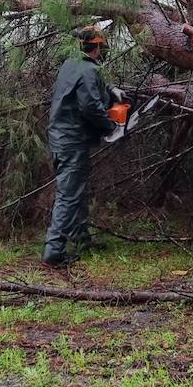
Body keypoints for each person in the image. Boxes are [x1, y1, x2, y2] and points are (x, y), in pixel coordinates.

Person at [43, 26, 119, 266]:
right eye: (101, 47)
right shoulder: (87, 69)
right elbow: (91, 107)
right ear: (96, 46)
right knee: (68, 194)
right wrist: (111, 126)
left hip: (62, 138)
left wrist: (111, 90)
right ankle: (53, 252)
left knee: (75, 190)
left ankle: (80, 237)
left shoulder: (71, 64)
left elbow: (89, 86)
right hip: (71, 140)